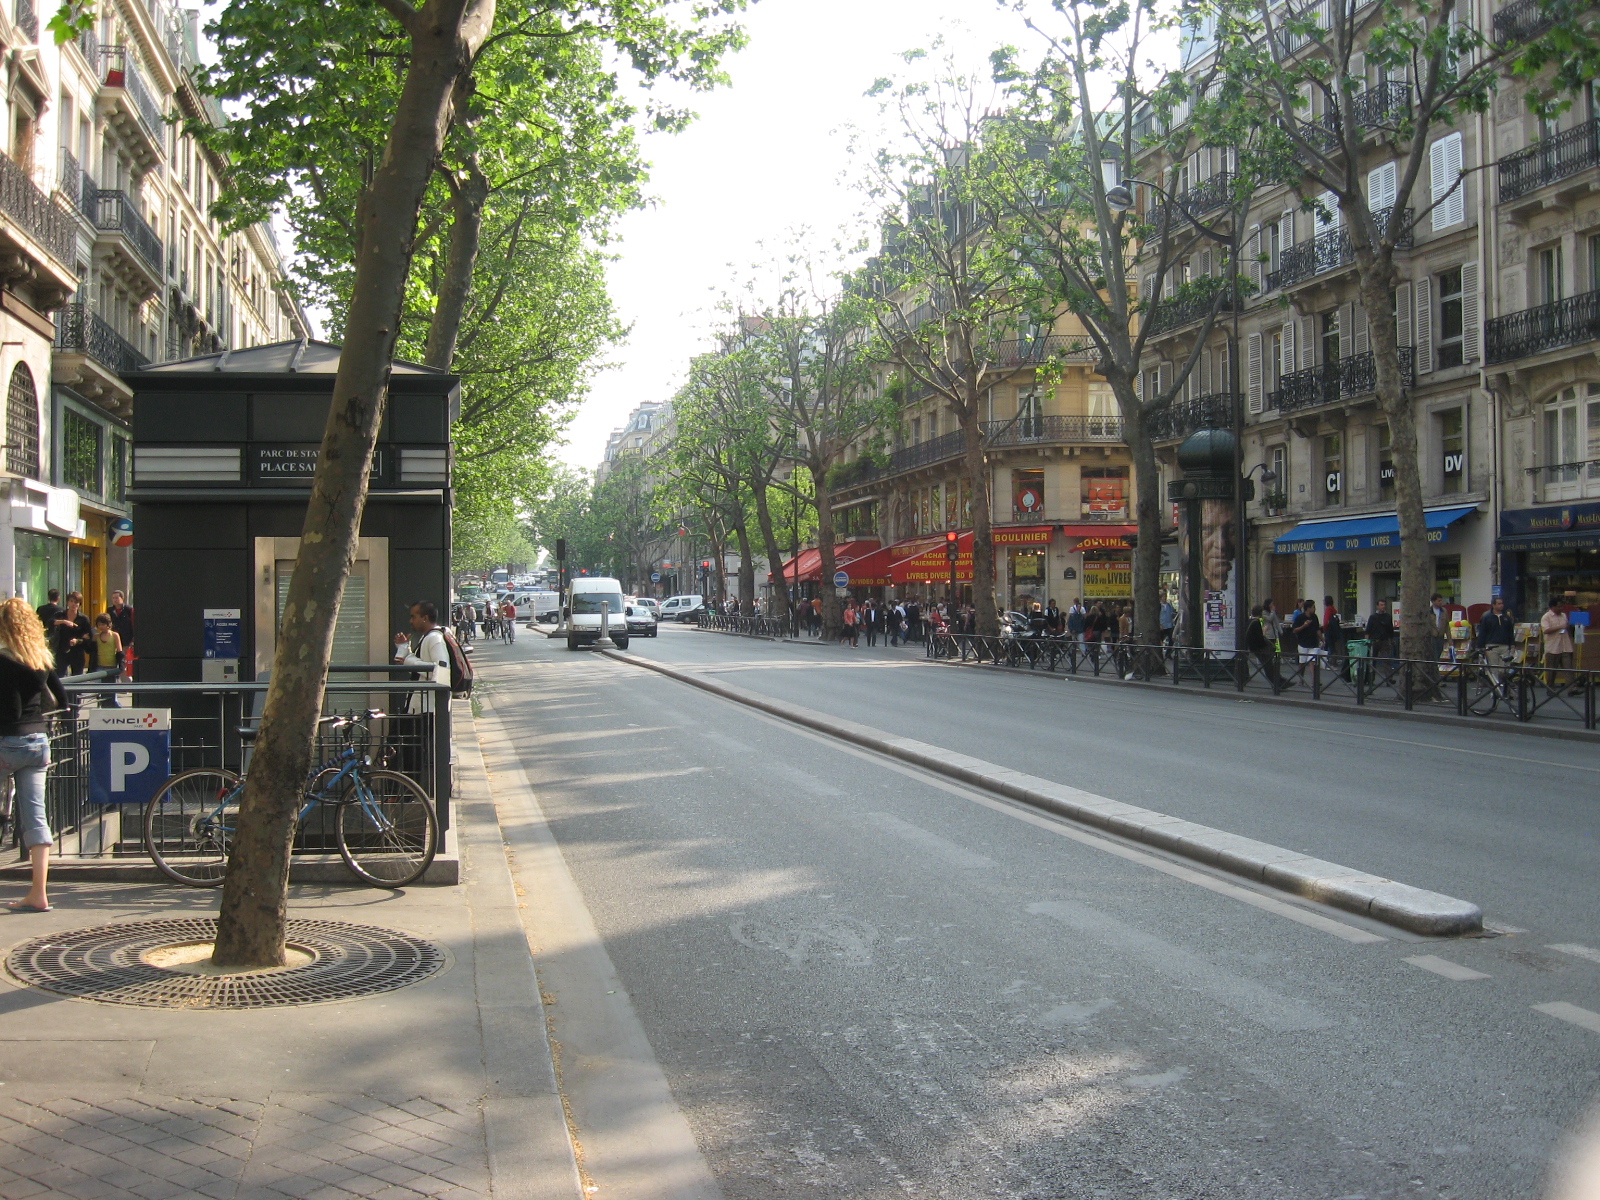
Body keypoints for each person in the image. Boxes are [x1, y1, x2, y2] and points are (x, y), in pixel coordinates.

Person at [0, 596, 69, 912]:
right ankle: (39, 894)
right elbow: (63, 697)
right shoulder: (40, 657)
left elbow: (8, 711)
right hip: (38, 741)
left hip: (9, 741)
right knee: (35, 816)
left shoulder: (3, 660)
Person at [49, 592, 91, 675]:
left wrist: (77, 641)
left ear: (79, 604)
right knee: (59, 676)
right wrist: (63, 622)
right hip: (62, 650)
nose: (73, 604)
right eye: (71, 601)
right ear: (67, 602)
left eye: (76, 602)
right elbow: (50, 622)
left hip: (77, 652)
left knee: (77, 678)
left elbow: (88, 636)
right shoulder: (60, 615)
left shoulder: (83, 619)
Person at [1541, 598, 1575, 688]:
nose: (1561, 608)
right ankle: (1550, 687)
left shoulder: (1563, 615)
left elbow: (1567, 627)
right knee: (1551, 670)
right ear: (1552, 607)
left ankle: (1572, 688)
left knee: (1568, 668)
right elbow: (1546, 630)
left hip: (1565, 645)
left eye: (1561, 607)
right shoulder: (1546, 617)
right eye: (1559, 607)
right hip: (1553, 647)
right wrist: (1560, 627)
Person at [1475, 597, 1517, 669]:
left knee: (1504, 669)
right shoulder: (1487, 618)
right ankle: (1494, 680)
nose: (1501, 605)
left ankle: (1501, 679)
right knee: (1493, 669)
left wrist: (1512, 645)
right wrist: (1481, 647)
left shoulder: (1506, 618)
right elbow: (1482, 632)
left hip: (1505, 646)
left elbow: (1510, 632)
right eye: (1499, 604)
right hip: (1491, 646)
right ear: (1493, 605)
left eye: (1502, 603)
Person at [106, 590, 135, 680]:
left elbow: (134, 625)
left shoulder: (129, 610)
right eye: (113, 598)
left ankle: (126, 684)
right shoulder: (110, 610)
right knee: (113, 662)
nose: (115, 600)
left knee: (124, 662)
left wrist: (133, 640)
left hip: (126, 639)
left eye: (117, 598)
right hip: (113, 640)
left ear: (122, 598)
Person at [1291, 599, 1322, 664]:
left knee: (1313, 662)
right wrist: (1304, 626)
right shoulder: (1300, 617)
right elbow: (1294, 630)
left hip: (1314, 643)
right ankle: (1300, 674)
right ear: (1308, 608)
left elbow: (1317, 629)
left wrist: (1323, 639)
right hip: (1303, 643)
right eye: (1313, 607)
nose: (1315, 609)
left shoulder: (1314, 617)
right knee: (1302, 663)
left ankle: (1313, 674)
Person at [1429, 593, 1449, 662]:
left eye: (1441, 601)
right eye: (1439, 601)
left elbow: (1447, 626)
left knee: (1439, 654)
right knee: (1433, 655)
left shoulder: (1444, 611)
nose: (1441, 602)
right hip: (1432, 637)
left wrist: (1450, 640)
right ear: (1433, 601)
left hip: (1441, 636)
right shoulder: (1429, 611)